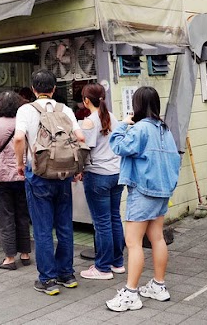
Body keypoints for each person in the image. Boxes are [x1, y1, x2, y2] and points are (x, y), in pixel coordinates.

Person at [106, 86, 181, 312]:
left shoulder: (139, 129)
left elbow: (118, 146)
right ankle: (159, 285)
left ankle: (130, 293)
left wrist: (122, 125)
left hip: (143, 191)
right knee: (157, 238)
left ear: (136, 106)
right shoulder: (165, 130)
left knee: (133, 242)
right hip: (162, 191)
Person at [12, 69, 83, 295]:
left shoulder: (26, 109)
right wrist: (76, 167)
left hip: (40, 175)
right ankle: (67, 274)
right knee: (64, 226)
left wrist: (21, 163)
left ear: (34, 89)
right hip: (63, 175)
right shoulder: (66, 110)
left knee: (42, 229)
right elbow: (80, 138)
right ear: (54, 88)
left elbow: (19, 138)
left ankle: (48, 280)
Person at [78, 83, 125, 281]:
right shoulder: (113, 117)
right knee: (114, 218)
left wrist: (78, 170)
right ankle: (117, 262)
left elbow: (84, 150)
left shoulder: (89, 122)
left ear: (86, 101)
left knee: (102, 222)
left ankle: (103, 267)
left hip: (98, 176)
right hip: (117, 174)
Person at [0, 91, 31, 270]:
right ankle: (25, 254)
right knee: (23, 214)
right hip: (23, 174)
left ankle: (9, 258)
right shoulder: (25, 122)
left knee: (5, 216)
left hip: (1, 178)